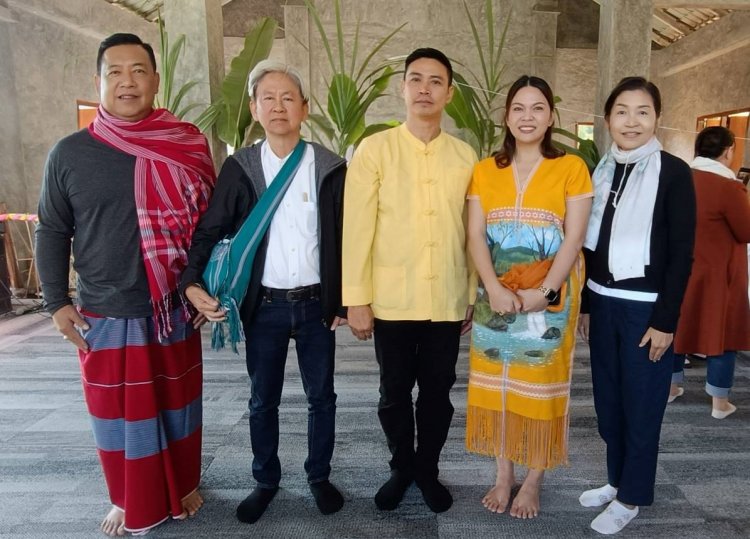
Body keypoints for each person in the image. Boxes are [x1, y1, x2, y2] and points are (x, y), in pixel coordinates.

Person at [35, 33, 215, 536]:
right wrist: (55, 301)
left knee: (179, 406)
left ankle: (182, 483)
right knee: (116, 414)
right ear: (99, 82)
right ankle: (124, 496)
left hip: (174, 305)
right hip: (104, 308)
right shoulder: (69, 153)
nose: (127, 81)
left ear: (156, 81)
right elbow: (51, 228)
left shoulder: (188, 145)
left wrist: (203, 285)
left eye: (138, 70)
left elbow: (210, 227)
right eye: (114, 71)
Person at [181, 60, 347, 524]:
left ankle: (318, 475)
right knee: (262, 400)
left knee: (323, 398)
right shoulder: (241, 168)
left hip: (317, 306)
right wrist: (190, 282)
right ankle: (265, 480)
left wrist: (346, 298)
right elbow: (209, 230)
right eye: (268, 98)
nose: (278, 106)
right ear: (254, 109)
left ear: (305, 109)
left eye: (288, 97)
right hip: (264, 307)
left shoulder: (330, 167)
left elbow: (346, 237)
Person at [342, 47, 477, 514]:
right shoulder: (376, 149)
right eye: (415, 79)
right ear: (402, 88)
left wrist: (471, 292)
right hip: (392, 299)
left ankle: (428, 469)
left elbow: (470, 230)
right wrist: (355, 299)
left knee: (438, 393)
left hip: (446, 297)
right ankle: (401, 465)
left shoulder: (465, 155)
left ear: (449, 92)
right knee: (393, 391)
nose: (424, 88)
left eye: (435, 81)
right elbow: (356, 229)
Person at [465, 75, 593, 519]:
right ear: (506, 116)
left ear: (551, 116)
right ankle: (503, 475)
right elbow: (476, 236)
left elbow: (574, 237)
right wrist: (494, 288)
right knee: (498, 384)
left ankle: (533, 479)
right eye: (518, 108)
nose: (527, 117)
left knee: (539, 385)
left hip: (550, 298)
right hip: (494, 297)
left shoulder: (571, 167)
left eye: (538, 108)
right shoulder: (485, 170)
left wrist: (545, 290)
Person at [578, 77, 696, 535]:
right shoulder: (603, 170)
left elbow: (683, 251)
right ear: (608, 120)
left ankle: (633, 495)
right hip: (604, 304)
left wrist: (666, 321)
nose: (632, 121)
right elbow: (592, 248)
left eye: (643, 111)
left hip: (646, 309)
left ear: (657, 119)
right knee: (609, 401)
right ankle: (616, 480)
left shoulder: (673, 172)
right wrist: (588, 304)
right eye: (622, 111)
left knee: (643, 404)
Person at [670, 127, 750, 418]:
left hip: (681, 267)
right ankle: (719, 403)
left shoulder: (681, 179)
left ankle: (671, 388)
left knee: (677, 323)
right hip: (720, 273)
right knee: (723, 331)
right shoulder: (728, 187)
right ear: (728, 151)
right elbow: (746, 230)